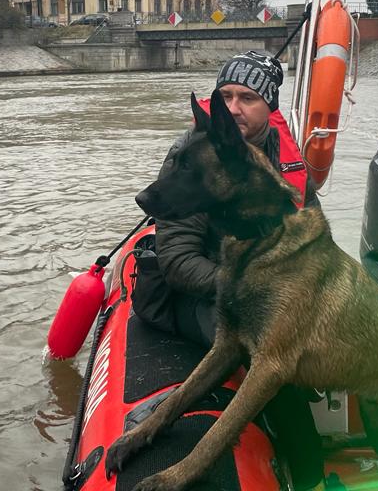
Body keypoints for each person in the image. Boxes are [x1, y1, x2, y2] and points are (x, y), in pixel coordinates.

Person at [133, 50, 331, 491]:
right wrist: (254, 293)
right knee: (268, 362)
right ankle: (312, 478)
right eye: (225, 96)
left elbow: (312, 241)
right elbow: (177, 259)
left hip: (262, 290)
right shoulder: (192, 157)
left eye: (247, 97)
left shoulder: (286, 162)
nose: (233, 108)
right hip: (196, 295)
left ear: (270, 107)